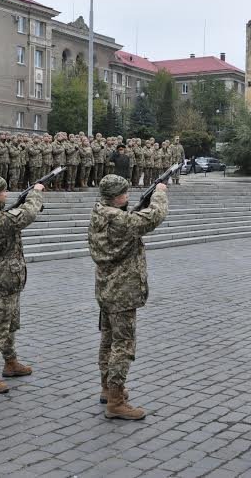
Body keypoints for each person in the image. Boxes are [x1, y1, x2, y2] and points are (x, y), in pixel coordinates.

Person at [88, 175, 168, 420]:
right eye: (124, 193)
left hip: (106, 288)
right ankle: (116, 401)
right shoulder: (120, 219)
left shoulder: (100, 212)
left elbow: (126, 221)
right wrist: (160, 193)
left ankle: (108, 387)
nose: (128, 196)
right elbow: (155, 216)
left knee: (108, 341)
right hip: (123, 291)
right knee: (123, 345)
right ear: (116, 196)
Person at [0, 175, 44, 393]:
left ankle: (10, 361)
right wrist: (35, 194)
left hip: (11, 275)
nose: (6, 194)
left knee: (10, 323)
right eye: (3, 191)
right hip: (3, 276)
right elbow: (27, 215)